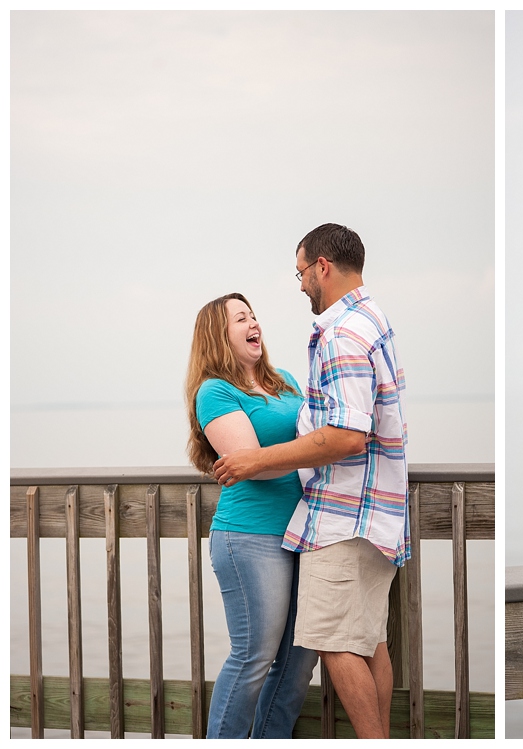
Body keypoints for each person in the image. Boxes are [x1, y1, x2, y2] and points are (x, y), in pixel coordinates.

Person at [212, 223, 408, 739]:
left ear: (322, 266)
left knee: (337, 643)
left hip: (343, 512)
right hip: (371, 511)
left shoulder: (340, 333)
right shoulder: (374, 320)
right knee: (365, 641)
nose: (300, 285)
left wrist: (255, 462)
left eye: (301, 272)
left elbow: (346, 434)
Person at [185, 292, 318, 739]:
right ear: (219, 336)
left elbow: (310, 446)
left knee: (299, 659)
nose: (253, 322)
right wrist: (305, 453)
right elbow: (249, 461)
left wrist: (305, 452)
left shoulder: (285, 382)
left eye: (254, 315)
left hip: (301, 533)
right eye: (240, 318)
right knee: (254, 657)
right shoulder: (215, 391)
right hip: (249, 537)